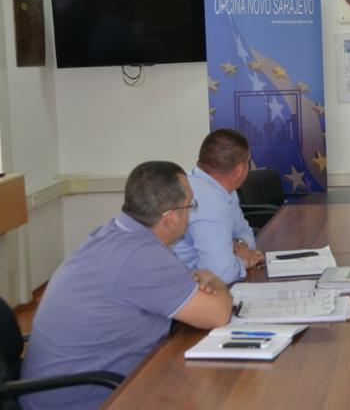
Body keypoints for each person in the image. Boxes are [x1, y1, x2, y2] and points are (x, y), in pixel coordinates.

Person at [20, 161, 233, 410]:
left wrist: (199, 290)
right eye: (191, 205)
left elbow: (179, 287)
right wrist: (215, 280)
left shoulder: (116, 232)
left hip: (57, 388)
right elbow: (218, 314)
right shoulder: (141, 255)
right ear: (170, 218)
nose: (192, 212)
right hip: (82, 401)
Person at [173, 129, 264, 283]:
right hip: (182, 288)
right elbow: (220, 274)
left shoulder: (223, 188)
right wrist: (245, 261)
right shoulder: (207, 199)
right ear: (240, 170)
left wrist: (240, 244)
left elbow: (244, 231)